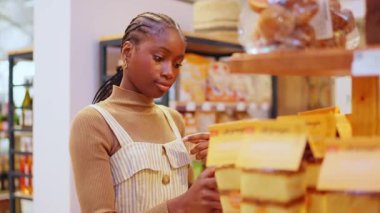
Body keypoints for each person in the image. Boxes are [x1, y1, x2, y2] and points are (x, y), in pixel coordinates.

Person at [69, 12, 221, 213]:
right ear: (127, 52)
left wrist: (216, 166)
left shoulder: (174, 120)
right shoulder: (93, 122)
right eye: (159, 58)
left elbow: (194, 202)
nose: (169, 72)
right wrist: (178, 206)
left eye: (177, 64)